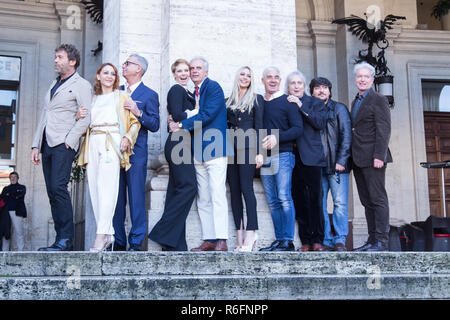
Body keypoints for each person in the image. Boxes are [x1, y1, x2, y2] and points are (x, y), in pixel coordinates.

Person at [31, 44, 92, 252]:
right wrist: (35, 144)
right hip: (47, 143)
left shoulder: (81, 85)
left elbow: (86, 117)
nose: (56, 60)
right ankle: (60, 239)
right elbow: (45, 114)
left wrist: (70, 140)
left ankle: (66, 239)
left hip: (63, 144)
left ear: (72, 61)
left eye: (60, 57)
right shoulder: (53, 84)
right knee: (52, 191)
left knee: (58, 188)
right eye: (55, 57)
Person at [77, 63, 140, 252]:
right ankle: (108, 234)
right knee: (95, 191)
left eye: (113, 74)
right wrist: (78, 116)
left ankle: (100, 235)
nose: (109, 76)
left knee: (108, 190)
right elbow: (83, 127)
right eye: (105, 73)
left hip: (111, 143)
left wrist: (128, 138)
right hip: (92, 143)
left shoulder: (121, 96)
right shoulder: (92, 100)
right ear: (98, 76)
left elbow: (134, 123)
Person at [169, 56, 230, 252]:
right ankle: (209, 239)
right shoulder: (191, 92)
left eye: (198, 68)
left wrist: (180, 125)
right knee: (203, 197)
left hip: (215, 148)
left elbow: (207, 114)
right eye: (192, 68)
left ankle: (222, 239)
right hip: (197, 151)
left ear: (206, 71)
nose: (194, 71)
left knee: (217, 193)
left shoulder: (213, 87)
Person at [149, 58, 197, 251]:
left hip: (182, 142)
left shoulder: (189, 92)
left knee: (176, 189)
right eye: (180, 71)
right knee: (189, 186)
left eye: (187, 70)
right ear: (174, 74)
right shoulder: (176, 89)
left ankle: (174, 243)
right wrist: (197, 112)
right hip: (178, 142)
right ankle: (162, 232)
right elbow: (176, 115)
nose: (184, 74)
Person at [112, 54, 160, 251]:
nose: (123, 66)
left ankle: (135, 241)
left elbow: (155, 124)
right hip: (114, 152)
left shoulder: (149, 94)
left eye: (127, 63)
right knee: (116, 198)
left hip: (136, 154)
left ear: (138, 68)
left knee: (136, 198)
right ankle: (118, 241)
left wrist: (138, 112)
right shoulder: (116, 92)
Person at [258, 67, 303, 252]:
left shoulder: (288, 101)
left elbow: (297, 129)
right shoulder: (260, 103)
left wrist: (277, 137)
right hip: (265, 157)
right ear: (263, 80)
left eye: (277, 77)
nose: (273, 80)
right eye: (269, 77)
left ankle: (288, 240)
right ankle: (280, 240)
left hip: (283, 154)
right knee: (273, 200)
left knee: (284, 197)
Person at [351, 62, 392, 252]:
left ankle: (382, 241)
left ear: (372, 79)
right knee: (366, 201)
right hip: (358, 158)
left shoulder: (379, 99)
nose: (362, 79)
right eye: (359, 76)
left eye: (366, 77)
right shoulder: (356, 101)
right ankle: (372, 239)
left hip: (374, 157)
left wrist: (379, 155)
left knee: (377, 199)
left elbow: (384, 129)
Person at [287, 71, 328, 252]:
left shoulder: (315, 103)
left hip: (311, 158)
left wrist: (301, 105)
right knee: (299, 200)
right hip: (293, 158)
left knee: (315, 200)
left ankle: (317, 240)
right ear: (288, 86)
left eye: (299, 83)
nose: (296, 86)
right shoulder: (286, 103)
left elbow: (319, 123)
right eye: (293, 83)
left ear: (304, 86)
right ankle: (305, 241)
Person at [310, 77, 352, 252]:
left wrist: (342, 160)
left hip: (337, 165)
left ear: (329, 90)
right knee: (319, 204)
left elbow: (347, 135)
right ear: (312, 91)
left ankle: (340, 239)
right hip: (317, 165)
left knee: (340, 203)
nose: (321, 91)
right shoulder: (310, 109)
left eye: (325, 87)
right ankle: (326, 239)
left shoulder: (339, 108)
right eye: (318, 88)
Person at [226, 66, 264, 252]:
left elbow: (260, 126)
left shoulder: (256, 99)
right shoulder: (229, 100)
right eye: (242, 74)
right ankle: (239, 236)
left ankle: (252, 231)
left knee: (246, 189)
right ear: (237, 76)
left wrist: (260, 153)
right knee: (234, 191)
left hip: (249, 148)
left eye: (249, 75)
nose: (245, 78)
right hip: (231, 151)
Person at [1, 172, 27, 251]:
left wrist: (9, 195)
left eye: (15, 177)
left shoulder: (22, 187)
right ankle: (4, 251)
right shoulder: (6, 188)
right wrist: (12, 195)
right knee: (6, 232)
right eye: (11, 177)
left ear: (18, 178)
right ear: (9, 178)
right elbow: (3, 198)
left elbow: (19, 196)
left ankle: (20, 251)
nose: (13, 178)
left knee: (19, 232)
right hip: (6, 213)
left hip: (17, 212)